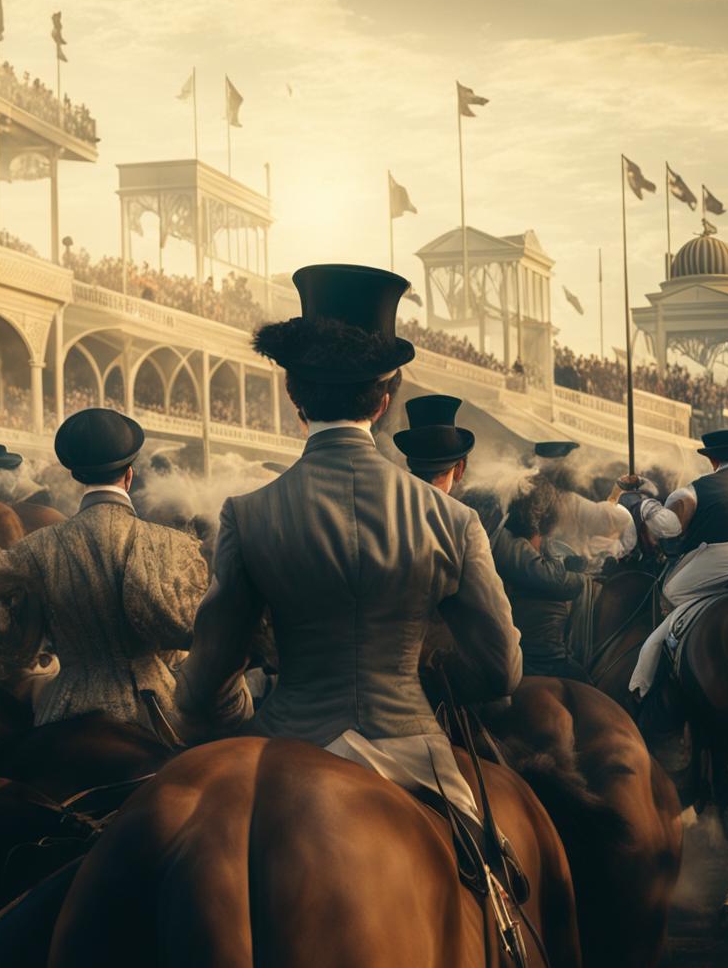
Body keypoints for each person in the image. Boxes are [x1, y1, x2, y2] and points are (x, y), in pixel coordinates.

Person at [175, 263, 521, 831]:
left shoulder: (248, 514)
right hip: (413, 743)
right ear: (385, 399)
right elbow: (501, 670)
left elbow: (211, 668)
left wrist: (200, 715)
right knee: (496, 886)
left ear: (294, 396)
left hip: (284, 743)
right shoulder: (453, 520)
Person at [0, 407, 206, 735]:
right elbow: (196, 630)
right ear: (130, 474)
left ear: (77, 476)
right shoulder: (170, 543)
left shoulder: (37, 547)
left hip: (67, 712)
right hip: (157, 710)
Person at [628, 428, 728, 838]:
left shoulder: (696, 488)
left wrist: (643, 501)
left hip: (708, 569)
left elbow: (666, 528)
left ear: (712, 458)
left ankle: (644, 687)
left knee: (669, 595)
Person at [491, 478, 589, 680]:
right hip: (533, 660)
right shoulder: (509, 543)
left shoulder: (519, 541)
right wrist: (581, 577)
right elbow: (553, 580)